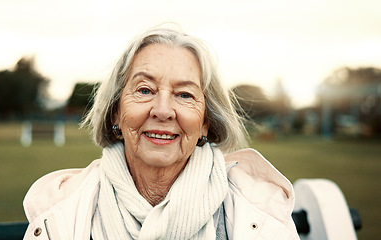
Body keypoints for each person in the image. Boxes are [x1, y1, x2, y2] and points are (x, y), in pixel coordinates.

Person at [22, 26, 300, 240]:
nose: (163, 110)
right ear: (116, 112)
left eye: (184, 94)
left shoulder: (261, 212)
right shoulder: (60, 212)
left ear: (205, 122)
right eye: (144, 90)